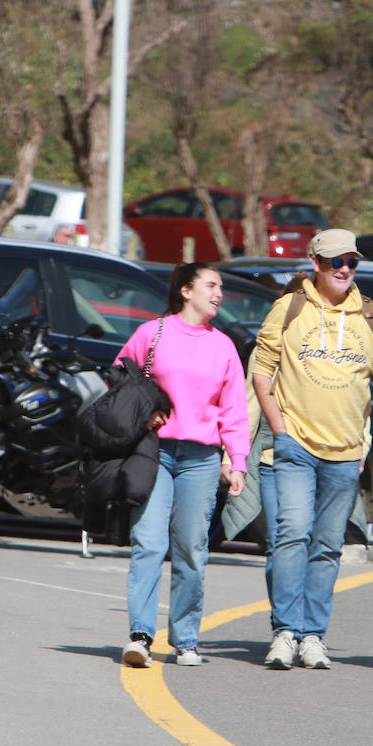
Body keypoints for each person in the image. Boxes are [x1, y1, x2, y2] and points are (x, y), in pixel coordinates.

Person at [252, 228, 373, 670]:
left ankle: (313, 636)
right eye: (336, 262)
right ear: (316, 264)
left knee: (328, 545)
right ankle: (285, 632)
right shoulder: (289, 308)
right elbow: (262, 371)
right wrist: (280, 428)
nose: (344, 269)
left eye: (352, 262)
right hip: (295, 445)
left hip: (347, 450)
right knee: (291, 534)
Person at [117, 263, 249, 668]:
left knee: (192, 549)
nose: (219, 293)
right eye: (211, 286)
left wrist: (237, 461)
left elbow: (234, 408)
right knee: (150, 543)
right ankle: (141, 635)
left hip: (202, 460)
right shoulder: (153, 333)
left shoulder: (223, 346)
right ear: (186, 291)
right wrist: (145, 414)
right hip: (155, 451)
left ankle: (186, 639)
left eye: (221, 287)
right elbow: (121, 373)